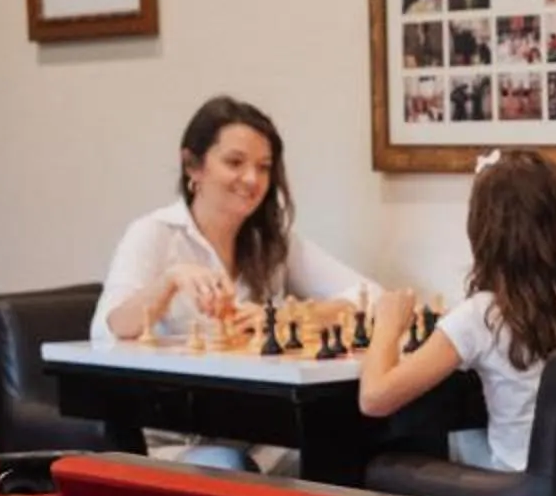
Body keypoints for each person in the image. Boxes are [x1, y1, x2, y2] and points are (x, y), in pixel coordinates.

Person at [94, 96, 377, 466]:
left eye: (264, 167)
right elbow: (107, 330)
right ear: (193, 166)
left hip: (262, 430)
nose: (252, 180)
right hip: (175, 436)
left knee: (343, 451)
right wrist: (169, 281)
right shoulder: (156, 234)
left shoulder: (272, 242)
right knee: (230, 467)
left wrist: (297, 316)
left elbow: (372, 297)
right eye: (235, 163)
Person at [356, 150, 556, 470]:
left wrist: (387, 326)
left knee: (414, 452)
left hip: (514, 484)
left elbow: (374, 399)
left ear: (482, 234)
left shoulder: (481, 317)